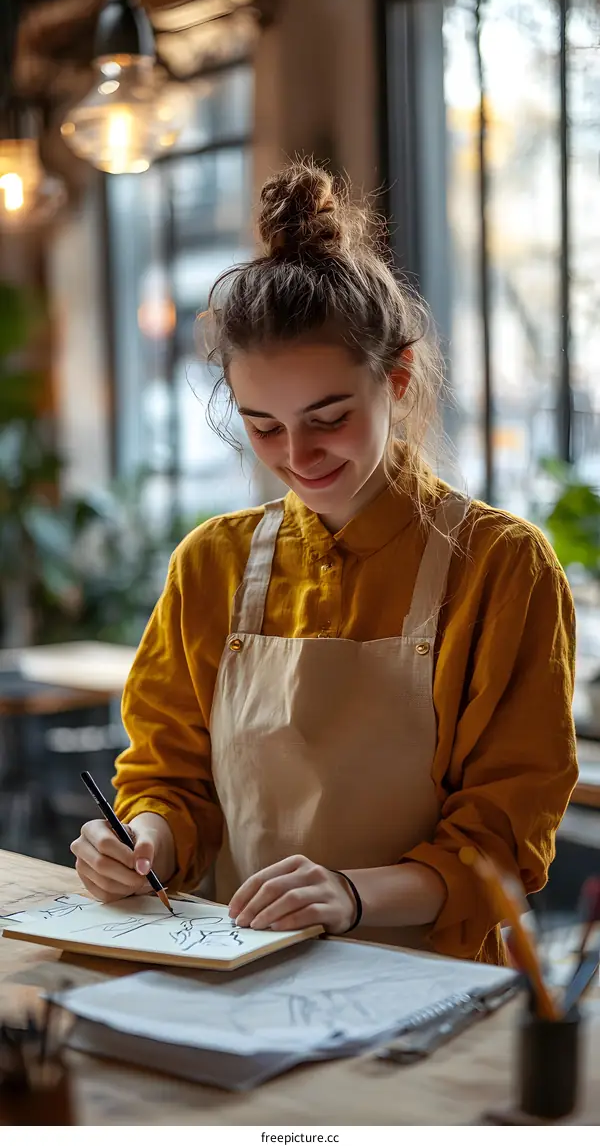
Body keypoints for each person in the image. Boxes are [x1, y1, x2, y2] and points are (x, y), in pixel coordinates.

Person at [71, 161, 578, 964]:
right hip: (242, 972)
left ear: (397, 379)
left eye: (328, 417)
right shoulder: (212, 563)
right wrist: (144, 843)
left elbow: (503, 833)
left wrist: (348, 894)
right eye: (263, 426)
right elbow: (171, 775)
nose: (297, 455)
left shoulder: (500, 568)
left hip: (433, 987)